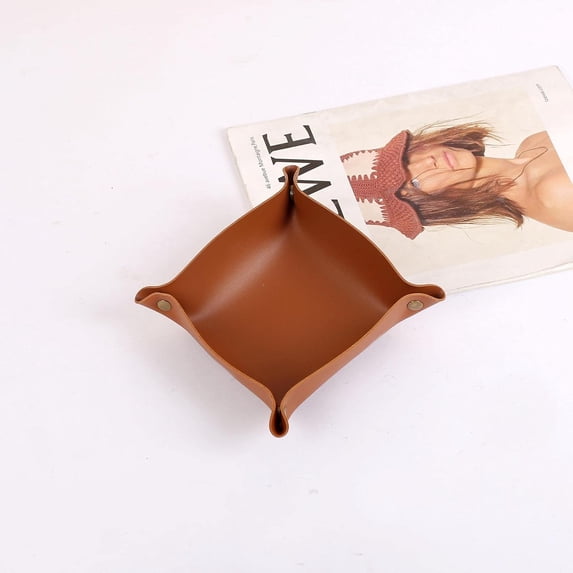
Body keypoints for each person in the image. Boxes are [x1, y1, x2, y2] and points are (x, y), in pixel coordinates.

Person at [340, 123, 573, 239]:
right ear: (438, 205)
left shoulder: (532, 143)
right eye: (414, 184)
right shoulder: (555, 194)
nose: (427, 162)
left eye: (407, 157)